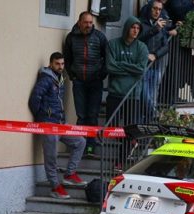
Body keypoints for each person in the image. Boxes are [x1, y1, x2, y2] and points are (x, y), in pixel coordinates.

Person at [28, 52, 87, 199]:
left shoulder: (59, 78)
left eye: (62, 64)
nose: (60, 67)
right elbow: (34, 99)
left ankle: (70, 174)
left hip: (60, 123)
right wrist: (42, 118)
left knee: (80, 142)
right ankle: (55, 187)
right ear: (51, 64)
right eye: (57, 64)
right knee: (51, 156)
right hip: (48, 124)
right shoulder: (46, 79)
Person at [106, 16, 149, 167]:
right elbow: (110, 67)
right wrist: (130, 68)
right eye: (133, 27)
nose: (135, 31)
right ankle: (129, 144)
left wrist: (121, 65)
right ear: (127, 28)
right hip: (115, 93)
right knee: (112, 129)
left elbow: (141, 70)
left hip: (133, 96)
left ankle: (120, 161)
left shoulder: (142, 48)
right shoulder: (113, 44)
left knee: (130, 131)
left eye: (138, 28)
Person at [63, 11, 108, 156]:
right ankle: (79, 146)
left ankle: (91, 146)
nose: (89, 25)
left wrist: (101, 75)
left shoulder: (100, 37)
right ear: (79, 22)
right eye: (86, 22)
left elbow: (107, 58)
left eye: (90, 22)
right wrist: (72, 76)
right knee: (81, 115)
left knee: (93, 115)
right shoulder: (71, 38)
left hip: (95, 82)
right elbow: (67, 59)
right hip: (79, 82)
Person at [139, 0, 177, 121]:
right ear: (149, 8)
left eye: (160, 9)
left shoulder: (161, 25)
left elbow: (166, 46)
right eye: (154, 8)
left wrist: (156, 55)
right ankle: (154, 114)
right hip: (143, 65)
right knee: (144, 96)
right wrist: (154, 29)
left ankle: (149, 126)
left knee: (152, 96)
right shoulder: (141, 23)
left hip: (156, 66)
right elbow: (138, 40)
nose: (157, 11)